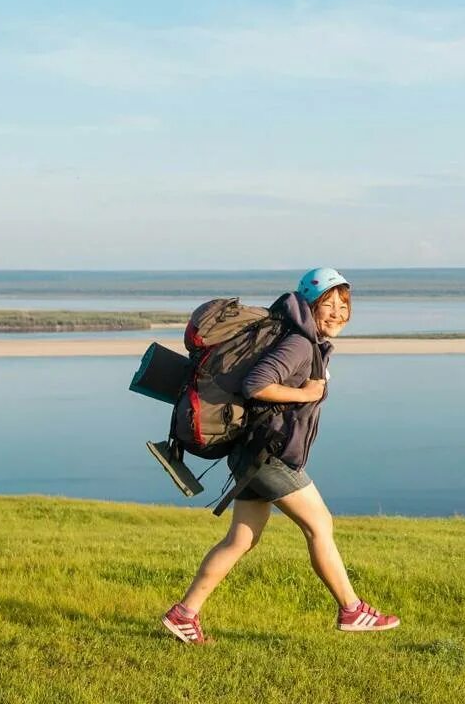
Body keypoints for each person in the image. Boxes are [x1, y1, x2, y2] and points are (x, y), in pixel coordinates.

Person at [161, 267, 400, 643]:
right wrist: (307, 394)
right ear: (309, 304)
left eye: (344, 304)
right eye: (328, 303)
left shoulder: (304, 340)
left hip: (251, 454)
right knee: (320, 524)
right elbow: (256, 384)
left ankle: (183, 614)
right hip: (269, 457)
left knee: (240, 540)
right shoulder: (300, 344)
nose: (338, 312)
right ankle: (352, 610)